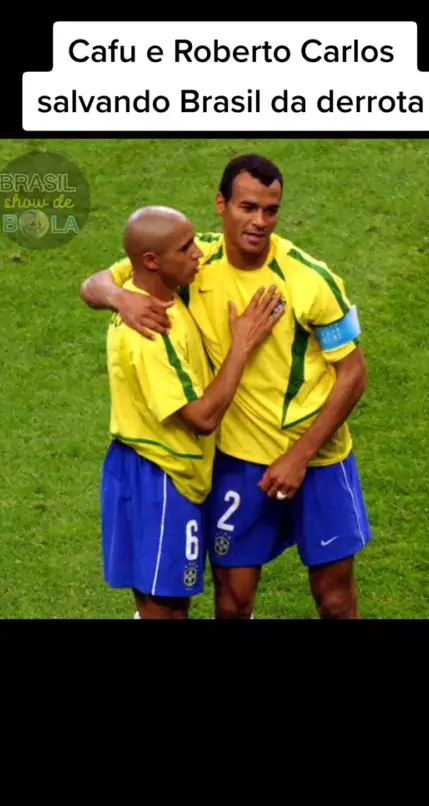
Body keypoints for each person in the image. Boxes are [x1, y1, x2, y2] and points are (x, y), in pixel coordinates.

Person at [81, 154, 372, 620]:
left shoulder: (312, 281)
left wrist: (299, 456)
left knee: (336, 599)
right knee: (233, 602)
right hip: (237, 459)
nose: (260, 222)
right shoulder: (192, 261)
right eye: (247, 207)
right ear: (222, 204)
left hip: (317, 458)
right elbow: (95, 283)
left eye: (271, 210)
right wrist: (121, 299)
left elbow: (353, 374)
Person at [99, 204, 285, 619]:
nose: (198, 253)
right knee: (165, 609)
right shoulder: (150, 331)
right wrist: (242, 346)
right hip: (159, 477)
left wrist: (113, 294)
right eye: (186, 248)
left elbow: (95, 284)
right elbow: (201, 418)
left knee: (170, 604)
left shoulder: (157, 295)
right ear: (152, 261)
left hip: (173, 472)